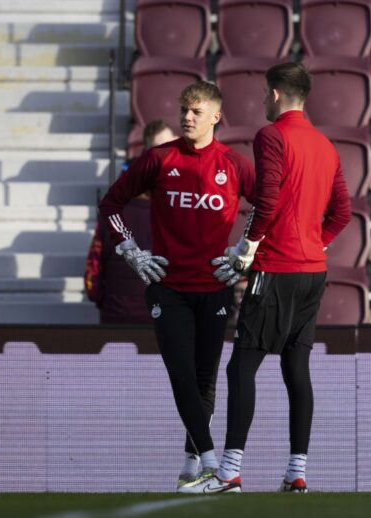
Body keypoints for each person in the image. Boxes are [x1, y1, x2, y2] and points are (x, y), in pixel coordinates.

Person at [181, 63, 351, 494]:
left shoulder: (271, 136)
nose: (261, 101)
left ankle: (229, 472)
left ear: (275, 94)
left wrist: (248, 247)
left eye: (263, 94)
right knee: (297, 368)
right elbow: (343, 212)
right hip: (313, 272)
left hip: (275, 267)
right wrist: (318, 240)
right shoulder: (326, 146)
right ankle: (297, 473)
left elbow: (269, 196)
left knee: (242, 367)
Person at [98, 81, 255, 490]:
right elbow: (110, 204)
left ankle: (191, 464)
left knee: (205, 379)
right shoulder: (157, 159)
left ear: (216, 117)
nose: (187, 117)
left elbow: (269, 208)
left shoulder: (234, 164)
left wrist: (244, 252)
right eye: (184, 109)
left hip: (215, 286)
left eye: (196, 111)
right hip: (167, 287)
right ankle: (210, 462)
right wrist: (131, 251)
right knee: (181, 373)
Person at [84, 121, 176, 324]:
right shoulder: (173, 217)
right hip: (158, 320)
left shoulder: (109, 218)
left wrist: (105, 301)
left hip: (114, 318)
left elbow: (92, 273)